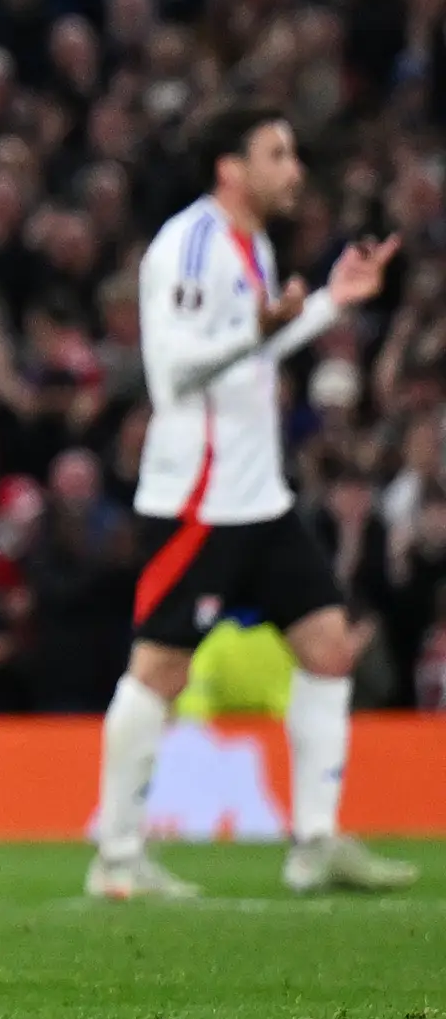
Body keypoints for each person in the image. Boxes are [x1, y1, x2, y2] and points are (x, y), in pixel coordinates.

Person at [84, 110, 415, 899]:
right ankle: (118, 859)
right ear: (230, 167)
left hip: (257, 495)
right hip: (198, 497)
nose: (294, 168)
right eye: (278, 153)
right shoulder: (189, 245)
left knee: (330, 646)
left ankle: (314, 843)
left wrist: (333, 301)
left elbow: (254, 343)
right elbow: (171, 376)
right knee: (159, 668)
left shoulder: (250, 245)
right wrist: (256, 328)